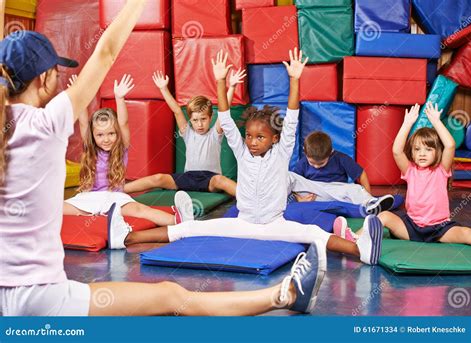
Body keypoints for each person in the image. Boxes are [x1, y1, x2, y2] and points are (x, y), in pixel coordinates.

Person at [0, 1, 323, 316]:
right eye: (55, 72)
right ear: (43, 79)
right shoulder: (47, 123)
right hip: (42, 297)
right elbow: (106, 52)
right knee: (172, 296)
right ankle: (285, 294)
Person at [118, 48, 384, 268]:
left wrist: (294, 80)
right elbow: (224, 118)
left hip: (274, 225)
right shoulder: (242, 153)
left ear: (274, 139)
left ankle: (361, 250)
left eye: (260, 137)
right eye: (250, 136)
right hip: (242, 223)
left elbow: (291, 118)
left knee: (313, 234)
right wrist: (220, 81)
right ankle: (127, 237)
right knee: (189, 229)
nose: (253, 142)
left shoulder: (281, 154)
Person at [63, 74, 190, 249]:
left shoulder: (120, 149)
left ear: (117, 134)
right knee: (57, 210)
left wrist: (119, 98)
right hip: (89, 198)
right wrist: (81, 93)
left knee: (141, 210)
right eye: (100, 135)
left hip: (115, 198)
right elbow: (84, 122)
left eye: (111, 134)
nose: (106, 139)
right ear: (93, 136)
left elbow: (123, 123)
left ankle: (181, 220)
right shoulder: (90, 150)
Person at [334, 102, 471, 245]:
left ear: (437, 151)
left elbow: (450, 145)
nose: (422, 154)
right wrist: (407, 124)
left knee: (467, 233)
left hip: (440, 229)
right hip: (411, 228)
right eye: (417, 149)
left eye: (428, 149)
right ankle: (353, 239)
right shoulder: (410, 170)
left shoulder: (441, 169)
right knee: (384, 216)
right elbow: (396, 151)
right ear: (412, 153)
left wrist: (436, 122)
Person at [123, 68, 246, 197]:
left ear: (210, 118)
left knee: (221, 180)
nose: (199, 124)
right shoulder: (188, 133)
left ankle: (248, 198)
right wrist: (163, 89)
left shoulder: (215, 134)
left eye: (203, 119)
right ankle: (119, 189)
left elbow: (223, 110)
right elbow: (177, 110)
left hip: (210, 179)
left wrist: (231, 86)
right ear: (190, 120)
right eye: (195, 120)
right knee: (158, 178)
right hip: (188, 177)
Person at [289, 130, 394, 215]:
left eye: (321, 163)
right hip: (315, 192)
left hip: (337, 191)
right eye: (312, 163)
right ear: (305, 152)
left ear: (331, 152)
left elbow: (361, 174)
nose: (316, 166)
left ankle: (370, 202)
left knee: (356, 188)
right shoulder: (302, 163)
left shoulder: (341, 158)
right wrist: (299, 198)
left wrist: (368, 194)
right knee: (290, 176)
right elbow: (296, 183)